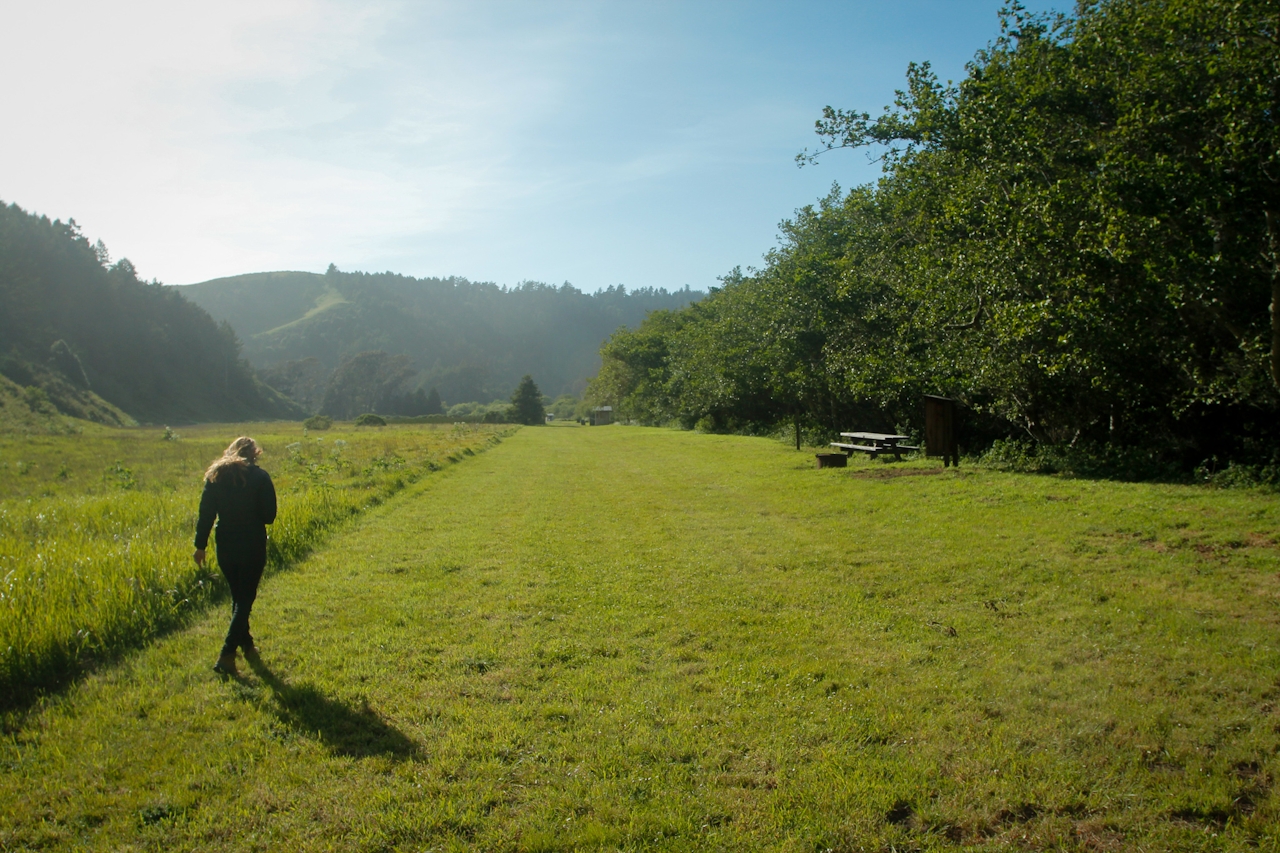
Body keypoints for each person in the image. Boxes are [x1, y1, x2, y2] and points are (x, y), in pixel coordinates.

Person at [193, 437, 277, 675]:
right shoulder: (260, 478)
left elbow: (206, 514)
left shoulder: (215, 476)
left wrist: (200, 546)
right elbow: (269, 516)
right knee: (245, 598)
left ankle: (247, 644)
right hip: (252, 542)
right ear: (254, 454)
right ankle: (227, 653)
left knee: (238, 596)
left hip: (225, 545)